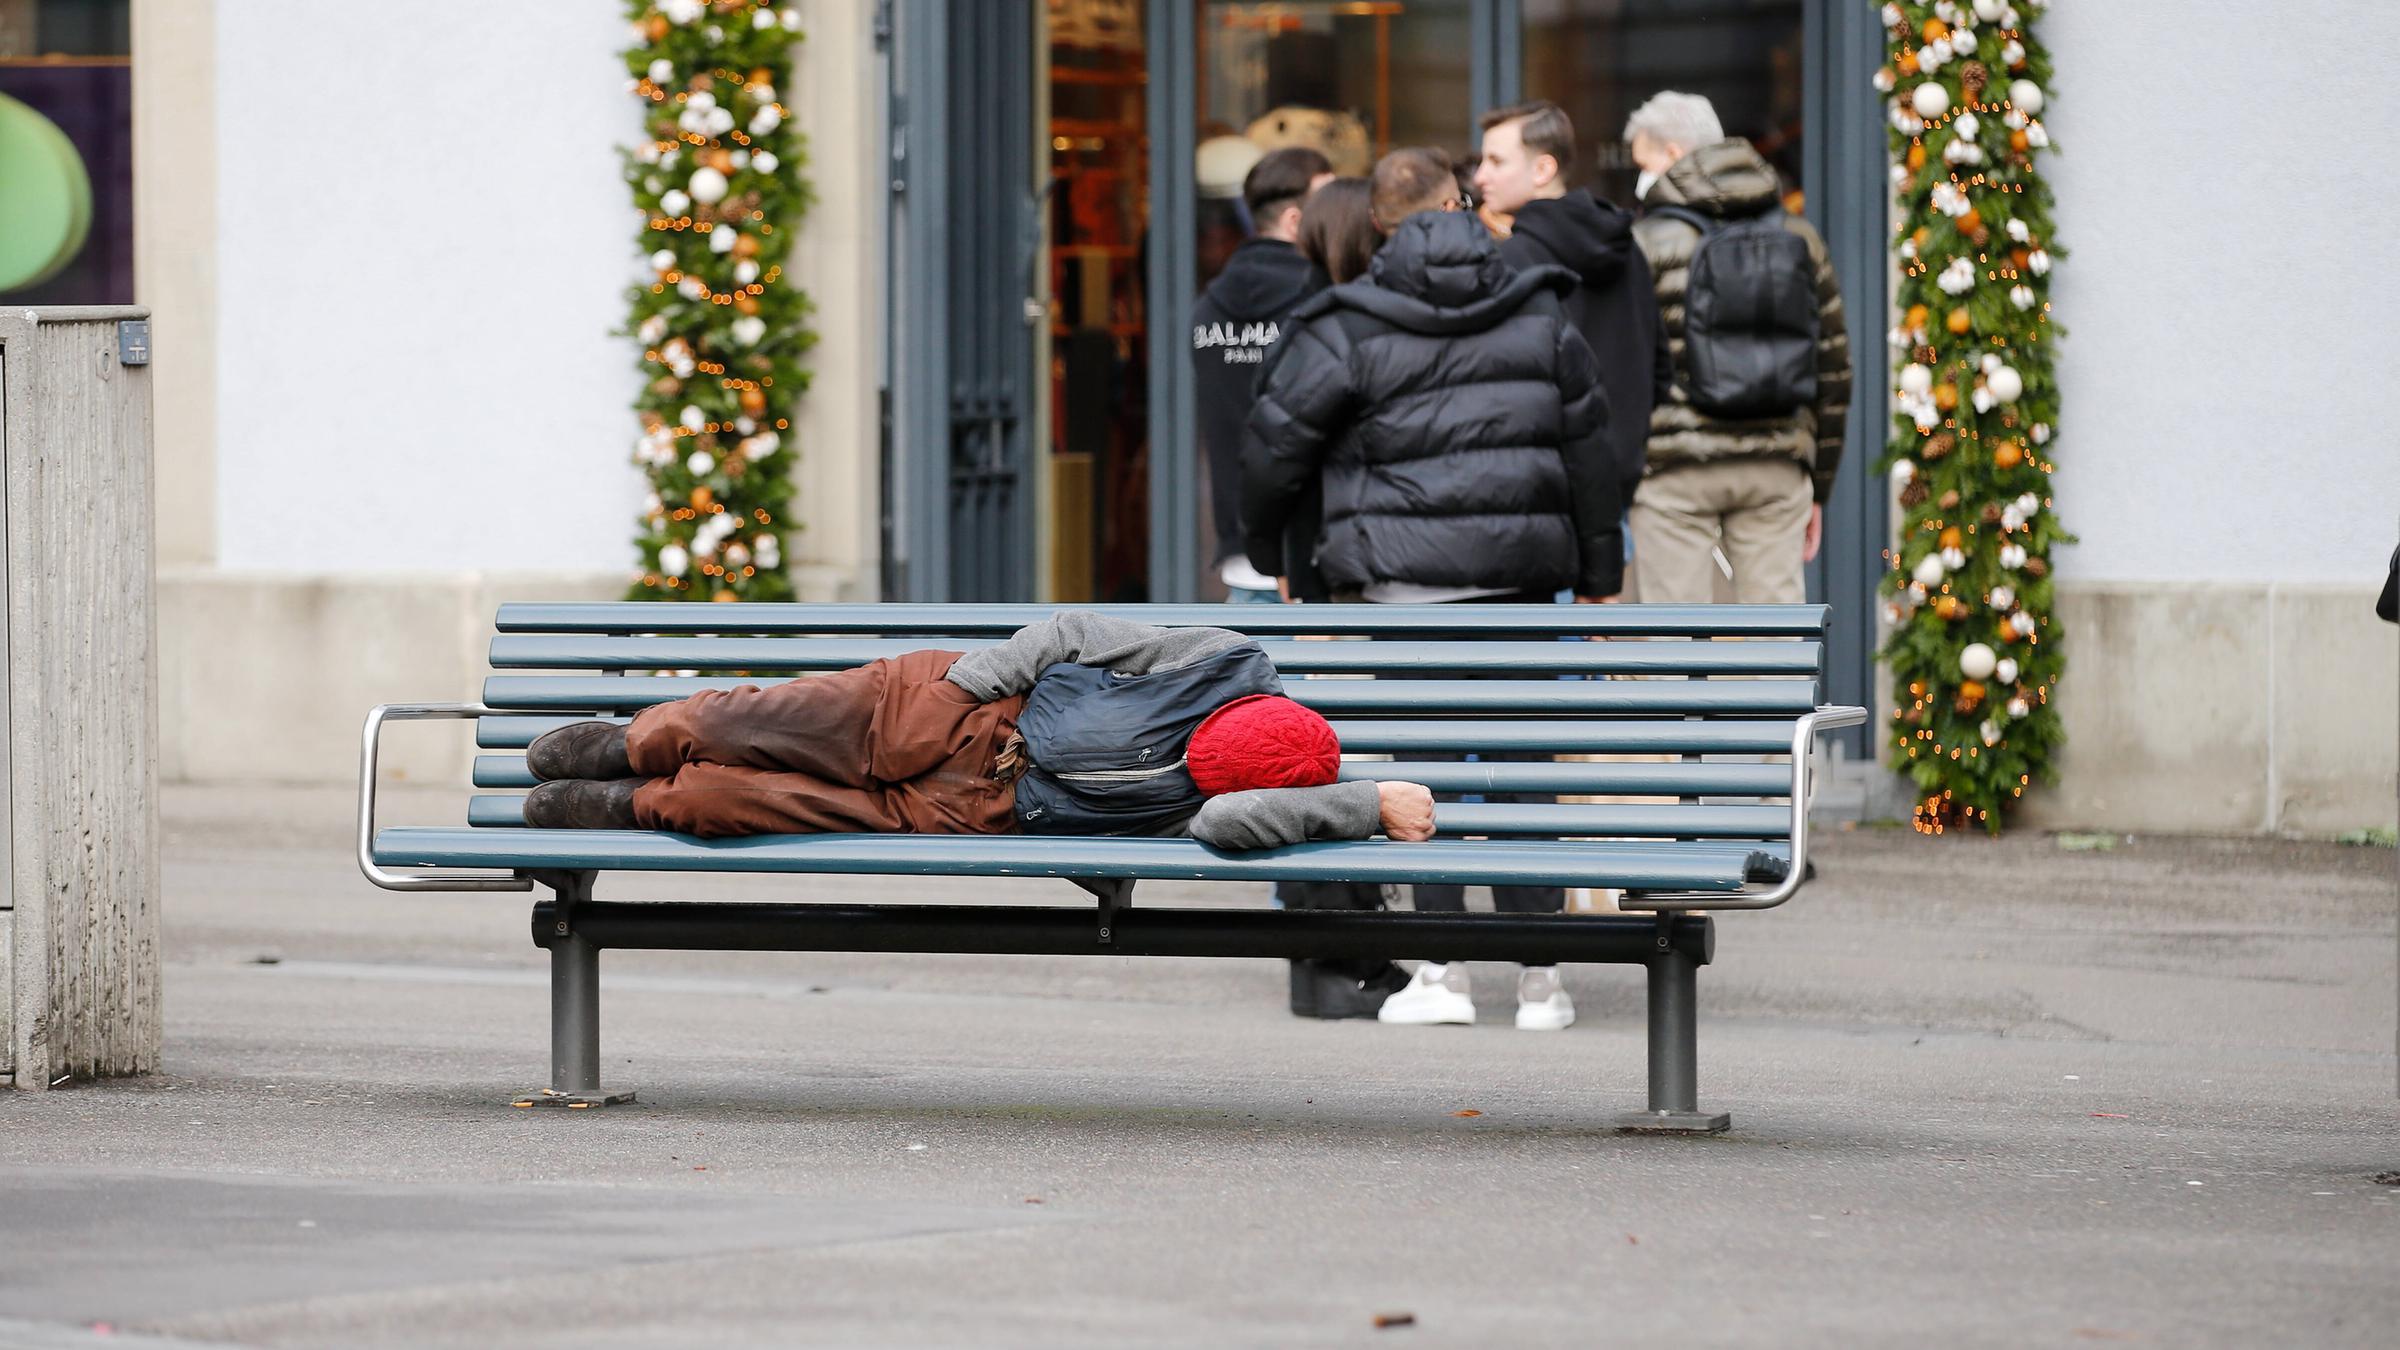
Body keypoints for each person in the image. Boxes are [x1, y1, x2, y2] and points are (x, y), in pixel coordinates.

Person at [1241, 146, 1621, 1032]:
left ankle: (1444, 973)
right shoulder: (1540, 313)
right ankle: (1540, 982)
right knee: (1523, 775)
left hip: (1399, 591)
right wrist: (1599, 576)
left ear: (1380, 227)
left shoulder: (1349, 325)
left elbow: (1272, 450)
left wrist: (1276, 557)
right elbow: (1590, 454)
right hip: (1518, 586)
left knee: (1428, 772)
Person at [520, 610, 1437, 858]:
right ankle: (634, 743)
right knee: (735, 721)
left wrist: (1357, 804)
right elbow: (1073, 633)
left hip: (977, 812)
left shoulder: (1234, 806)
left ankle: (628, 804)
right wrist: (967, 681)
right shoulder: (1224, 659)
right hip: (955, 710)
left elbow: (1222, 831)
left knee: (737, 802)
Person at [1621, 91, 1852, 606]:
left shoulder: (1646, 242)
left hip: (1674, 470)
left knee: (1670, 645)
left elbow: (1625, 368)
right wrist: (1817, 483)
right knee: (1774, 646)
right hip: (1775, 464)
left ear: (1676, 154)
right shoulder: (1799, 234)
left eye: (1645, 163)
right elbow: (1834, 369)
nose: (1641, 179)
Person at [1474, 99, 1668, 508]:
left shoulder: (1510, 261)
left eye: (1495, 161)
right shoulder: (1627, 248)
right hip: (1613, 487)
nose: (1480, 177)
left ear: (1543, 169)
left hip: (1535, 496)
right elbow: (1659, 368)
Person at [1193, 147, 1334, 603]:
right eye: (1329, 202)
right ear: (1295, 220)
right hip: (1310, 558)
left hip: (1241, 555)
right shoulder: (1321, 300)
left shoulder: (1208, 305)